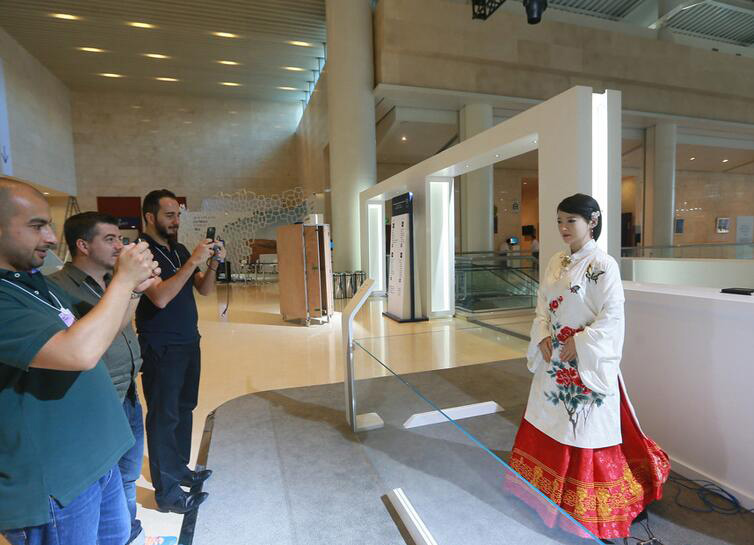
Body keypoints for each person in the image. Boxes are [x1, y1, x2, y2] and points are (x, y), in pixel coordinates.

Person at [0, 178, 159, 545]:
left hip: (96, 460)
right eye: (37, 226)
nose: (53, 238)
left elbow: (97, 338)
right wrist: (121, 281)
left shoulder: (35, 284)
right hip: (57, 484)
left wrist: (132, 290)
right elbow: (79, 353)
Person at [507, 193, 670, 540]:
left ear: (592, 221)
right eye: (560, 221)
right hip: (555, 358)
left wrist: (577, 343)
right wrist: (542, 336)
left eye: (572, 221)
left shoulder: (604, 265)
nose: (564, 228)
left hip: (583, 360)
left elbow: (613, 317)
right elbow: (542, 306)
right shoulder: (554, 261)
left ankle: (579, 506)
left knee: (580, 428)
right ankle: (542, 492)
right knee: (548, 418)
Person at [49, 212, 147, 545]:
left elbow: (118, 327)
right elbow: (86, 344)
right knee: (112, 478)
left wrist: (130, 289)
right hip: (101, 399)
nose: (119, 245)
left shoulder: (109, 280)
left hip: (128, 390)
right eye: (110, 239)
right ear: (82, 245)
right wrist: (126, 284)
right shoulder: (58, 287)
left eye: (120, 238)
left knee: (129, 473)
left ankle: (130, 528)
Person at [136, 189, 226, 513]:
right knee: (164, 415)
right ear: (150, 217)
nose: (176, 221)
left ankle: (178, 468)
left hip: (189, 340)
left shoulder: (179, 249)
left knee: (185, 406)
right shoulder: (141, 253)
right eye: (169, 215)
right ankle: (167, 492)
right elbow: (159, 297)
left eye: (178, 215)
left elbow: (203, 288)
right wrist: (192, 262)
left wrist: (213, 262)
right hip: (162, 345)